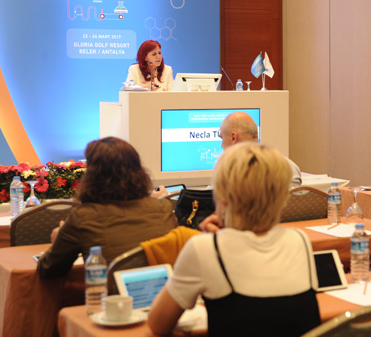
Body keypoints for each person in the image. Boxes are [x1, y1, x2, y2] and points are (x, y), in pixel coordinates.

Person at [147, 142, 320, 336]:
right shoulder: (300, 240)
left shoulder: (204, 248)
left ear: (222, 198)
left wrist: (213, 240)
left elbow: (158, 324)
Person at [37, 137, 177, 278]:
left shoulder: (83, 217)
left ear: (91, 176)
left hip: (109, 291)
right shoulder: (163, 208)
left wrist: (58, 241)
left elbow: (49, 270)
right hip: (161, 288)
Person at [219, 111, 302, 187]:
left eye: (222, 138)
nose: (221, 145)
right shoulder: (289, 167)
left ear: (233, 138)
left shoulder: (233, 175)